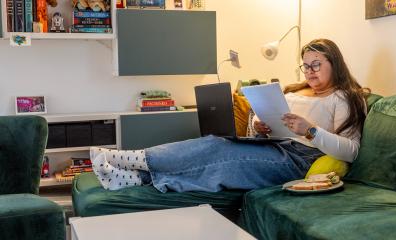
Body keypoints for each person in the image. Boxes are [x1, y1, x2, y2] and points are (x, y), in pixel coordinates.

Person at [91, 38, 370, 192]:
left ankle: (129, 158)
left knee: (221, 158)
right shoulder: (294, 90)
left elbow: (351, 151)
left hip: (301, 159)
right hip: (274, 145)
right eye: (306, 65)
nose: (309, 71)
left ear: (335, 63)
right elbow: (272, 127)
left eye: (316, 64)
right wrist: (259, 127)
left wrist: (311, 131)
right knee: (217, 145)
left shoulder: (346, 97)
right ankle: (132, 178)